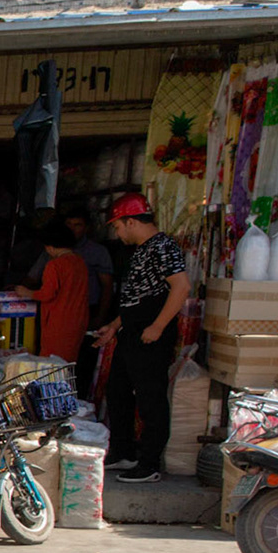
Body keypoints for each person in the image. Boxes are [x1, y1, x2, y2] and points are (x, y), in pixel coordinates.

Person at [91, 193, 190, 484]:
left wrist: (158, 326)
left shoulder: (163, 246)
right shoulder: (142, 249)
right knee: (118, 391)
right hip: (132, 332)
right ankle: (125, 451)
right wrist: (115, 325)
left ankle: (149, 463)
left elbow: (181, 287)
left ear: (131, 222)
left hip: (151, 334)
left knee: (150, 399)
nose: (117, 233)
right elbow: (138, 297)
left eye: (118, 227)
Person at [18, 221, 90, 363]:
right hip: (78, 320)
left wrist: (26, 292)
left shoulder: (55, 265)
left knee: (51, 364)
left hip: (59, 323)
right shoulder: (79, 262)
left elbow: (47, 294)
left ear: (49, 247)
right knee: (68, 362)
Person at [64, 213, 115, 394]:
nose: (72, 229)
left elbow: (107, 286)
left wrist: (101, 316)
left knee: (84, 360)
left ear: (86, 228)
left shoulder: (97, 252)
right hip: (62, 315)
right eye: (69, 224)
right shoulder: (55, 250)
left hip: (90, 311)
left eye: (77, 224)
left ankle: (82, 399)